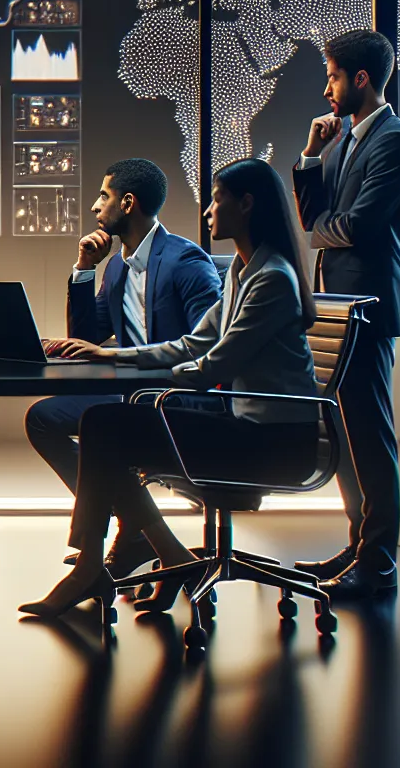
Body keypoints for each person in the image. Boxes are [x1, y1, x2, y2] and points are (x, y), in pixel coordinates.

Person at [22, 159, 321, 617]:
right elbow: (192, 343)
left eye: (217, 199)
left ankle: (104, 563)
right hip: (246, 426)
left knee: (105, 426)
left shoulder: (271, 279)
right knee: (103, 425)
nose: (208, 211)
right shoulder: (244, 272)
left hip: (271, 440)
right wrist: (111, 356)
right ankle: (160, 556)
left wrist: (137, 373)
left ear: (246, 205)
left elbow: (213, 364)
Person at [24, 158, 221, 577]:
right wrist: (83, 269)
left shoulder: (187, 263)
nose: (96, 207)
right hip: (133, 395)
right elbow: (87, 336)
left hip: (177, 399)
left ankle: (130, 534)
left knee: (101, 429)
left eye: (104, 196)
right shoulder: (115, 266)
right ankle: (135, 526)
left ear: (127, 203)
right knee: (43, 418)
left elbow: (208, 348)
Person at [291, 28, 400, 600]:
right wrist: (311, 157)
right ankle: (359, 546)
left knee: (371, 435)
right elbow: (315, 218)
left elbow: (358, 226)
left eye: (332, 76)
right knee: (344, 434)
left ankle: (379, 566)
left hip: (368, 308)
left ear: (360, 79)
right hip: (335, 306)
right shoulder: (343, 142)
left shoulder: (396, 142)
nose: (327, 89)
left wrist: (323, 233)